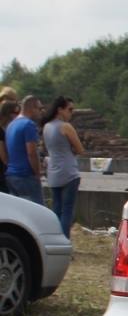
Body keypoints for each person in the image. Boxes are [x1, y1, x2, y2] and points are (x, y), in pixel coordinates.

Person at [41, 96, 84, 238]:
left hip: (53, 172)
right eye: (70, 109)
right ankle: (64, 241)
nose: (72, 112)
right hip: (68, 172)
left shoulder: (46, 127)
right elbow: (80, 149)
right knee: (67, 211)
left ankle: (55, 240)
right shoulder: (65, 126)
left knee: (57, 210)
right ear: (60, 110)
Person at [5, 95, 45, 204]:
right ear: (32, 108)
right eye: (39, 108)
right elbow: (31, 153)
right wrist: (37, 174)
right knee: (38, 213)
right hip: (26, 175)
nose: (41, 112)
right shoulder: (29, 125)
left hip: (12, 175)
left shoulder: (11, 125)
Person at [0, 100, 21, 194]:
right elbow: (3, 155)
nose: (18, 114)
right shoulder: (1, 130)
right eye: (16, 112)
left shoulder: (10, 128)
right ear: (8, 113)